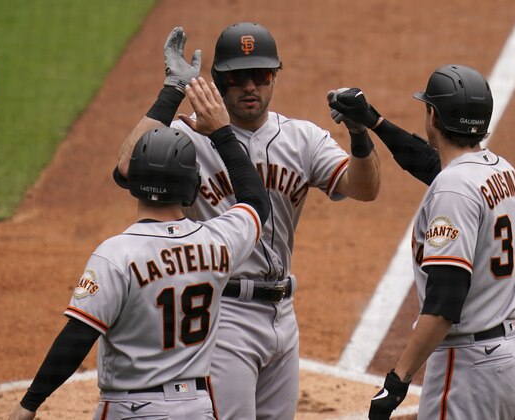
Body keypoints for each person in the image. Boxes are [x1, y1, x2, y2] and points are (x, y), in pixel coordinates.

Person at [117, 24, 381, 419]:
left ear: (275, 75)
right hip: (222, 314)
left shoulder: (303, 138)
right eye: (238, 77)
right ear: (220, 80)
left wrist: (360, 134)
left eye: (261, 75)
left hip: (283, 313)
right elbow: (125, 168)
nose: (250, 87)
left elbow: (364, 188)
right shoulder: (189, 137)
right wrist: (172, 92)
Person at [8, 77, 271, 420]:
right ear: (191, 186)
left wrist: (30, 403)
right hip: (198, 408)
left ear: (133, 182)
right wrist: (222, 134)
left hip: (131, 409)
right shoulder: (218, 242)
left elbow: (78, 336)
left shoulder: (116, 255)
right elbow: (256, 202)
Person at [328, 64, 515, 419]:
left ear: (433, 115)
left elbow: (444, 301)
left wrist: (397, 381)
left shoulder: (454, 189)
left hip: (470, 369)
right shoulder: (500, 170)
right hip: (513, 356)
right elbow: (429, 163)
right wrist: (373, 121)